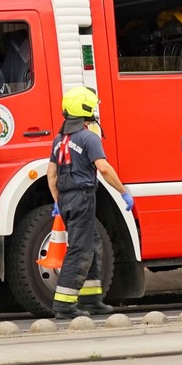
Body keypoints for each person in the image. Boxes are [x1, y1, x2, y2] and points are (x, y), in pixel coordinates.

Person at [46, 86, 134, 319]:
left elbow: (51, 174)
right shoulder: (88, 137)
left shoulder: (59, 140)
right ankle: (64, 303)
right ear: (85, 109)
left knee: (92, 242)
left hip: (66, 199)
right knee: (80, 249)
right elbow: (103, 168)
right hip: (82, 198)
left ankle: (92, 298)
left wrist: (58, 202)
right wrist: (123, 192)